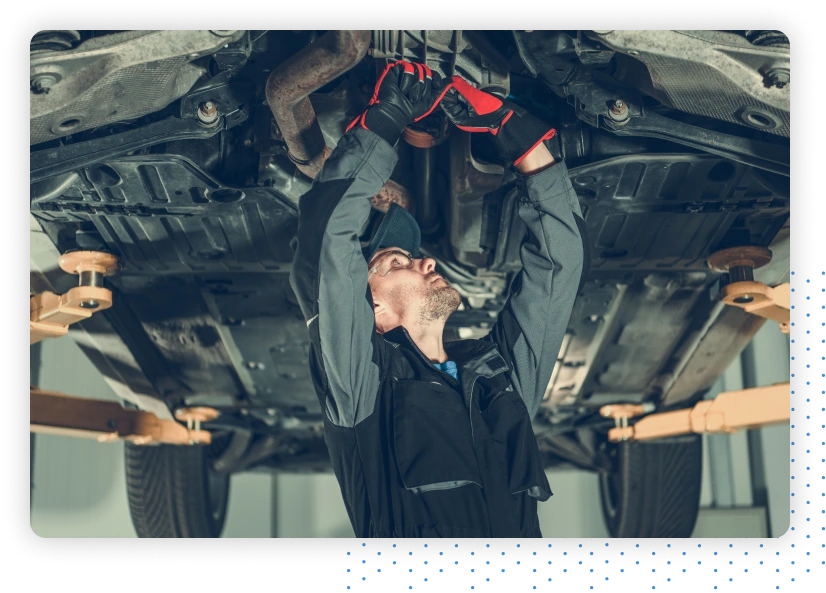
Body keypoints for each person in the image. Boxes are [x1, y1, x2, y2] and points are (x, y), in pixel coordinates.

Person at [289, 59, 589, 538]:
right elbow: (560, 269)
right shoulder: (499, 383)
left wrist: (387, 117)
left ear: (377, 313)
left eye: (396, 261)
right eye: (399, 262)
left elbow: (325, 242)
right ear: (374, 312)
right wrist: (528, 148)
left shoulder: (365, 390)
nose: (426, 261)